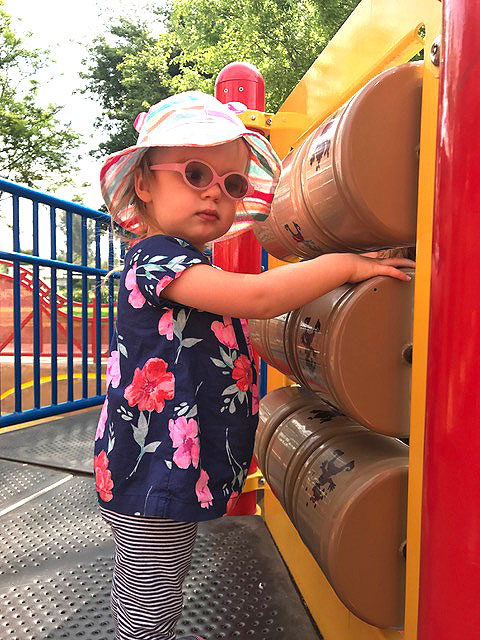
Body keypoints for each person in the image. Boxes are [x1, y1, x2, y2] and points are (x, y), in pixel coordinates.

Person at [94, 90, 415, 640]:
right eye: (195, 173)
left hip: (170, 468)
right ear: (143, 182)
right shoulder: (157, 258)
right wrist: (342, 264)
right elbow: (262, 298)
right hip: (153, 471)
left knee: (156, 592)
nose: (215, 194)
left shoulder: (185, 260)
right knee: (147, 602)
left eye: (233, 184)